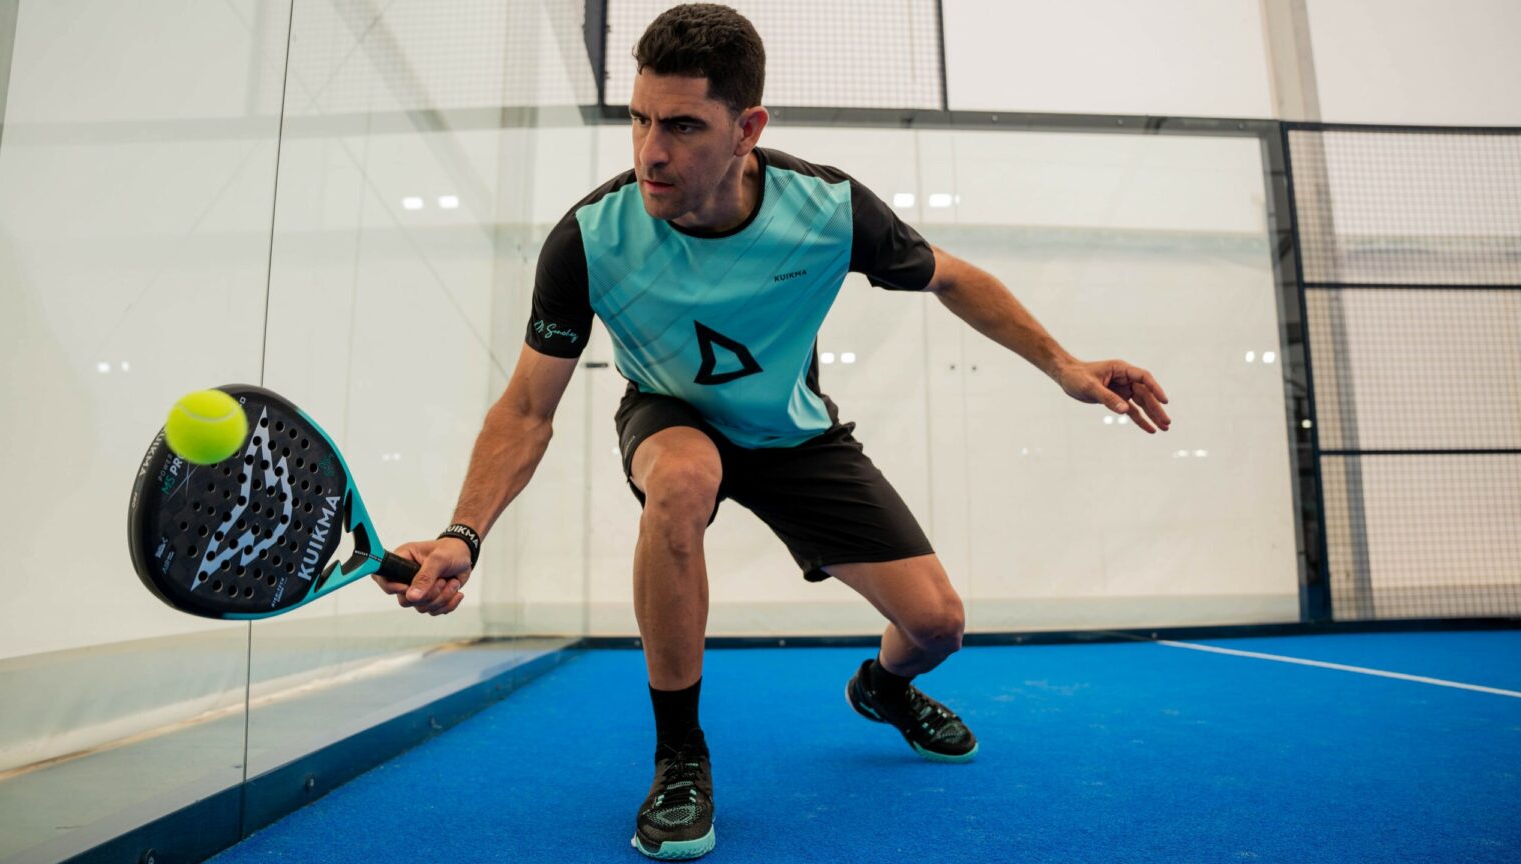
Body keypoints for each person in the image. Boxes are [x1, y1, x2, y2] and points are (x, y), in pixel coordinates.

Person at [377, 4, 1172, 859]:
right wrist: (465, 533)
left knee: (938, 625)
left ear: (747, 129)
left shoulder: (827, 210)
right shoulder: (590, 240)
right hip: (671, 416)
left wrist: (1065, 366)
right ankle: (680, 756)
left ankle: (882, 688)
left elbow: (953, 277)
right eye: (640, 119)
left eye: (682, 126)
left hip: (795, 437)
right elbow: (527, 408)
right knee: (681, 480)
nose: (650, 152)